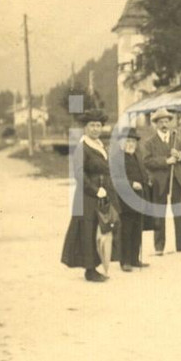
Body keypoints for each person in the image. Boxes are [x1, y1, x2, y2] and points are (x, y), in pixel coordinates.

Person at [60, 109, 113, 283]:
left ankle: (96, 265)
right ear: (85, 127)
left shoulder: (99, 145)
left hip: (100, 194)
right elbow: (79, 174)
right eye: (92, 125)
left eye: (98, 125)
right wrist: (95, 190)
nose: (96, 129)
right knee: (87, 231)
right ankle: (90, 270)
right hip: (87, 196)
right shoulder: (82, 147)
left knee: (99, 230)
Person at [142, 108, 181, 256]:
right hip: (159, 182)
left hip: (176, 180)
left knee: (179, 213)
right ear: (156, 124)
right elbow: (147, 161)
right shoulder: (150, 142)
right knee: (159, 213)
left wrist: (178, 156)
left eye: (166, 121)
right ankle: (159, 247)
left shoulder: (177, 139)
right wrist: (166, 161)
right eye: (161, 122)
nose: (164, 124)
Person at [112, 126, 150, 272]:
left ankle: (134, 259)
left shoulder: (136, 156)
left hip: (139, 199)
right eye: (128, 141)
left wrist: (147, 181)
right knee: (126, 230)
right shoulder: (117, 158)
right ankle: (125, 261)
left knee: (137, 228)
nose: (131, 144)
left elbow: (143, 173)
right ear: (121, 142)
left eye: (133, 141)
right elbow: (115, 179)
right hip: (125, 200)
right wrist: (131, 184)